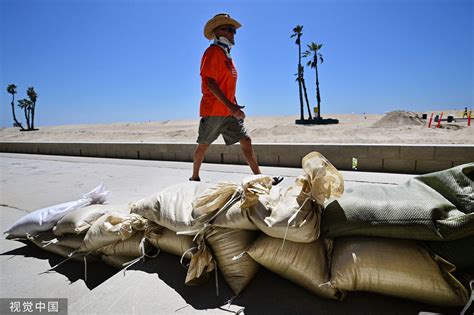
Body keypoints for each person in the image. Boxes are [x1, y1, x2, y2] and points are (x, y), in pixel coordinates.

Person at [190, 13, 282, 185]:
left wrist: (234, 104)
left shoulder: (227, 57)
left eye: (234, 31)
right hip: (214, 110)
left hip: (228, 111)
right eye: (229, 30)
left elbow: (226, 85)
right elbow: (210, 82)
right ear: (217, 32)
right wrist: (231, 106)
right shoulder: (212, 52)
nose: (233, 34)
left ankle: (259, 178)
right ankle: (194, 176)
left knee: (246, 140)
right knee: (204, 144)